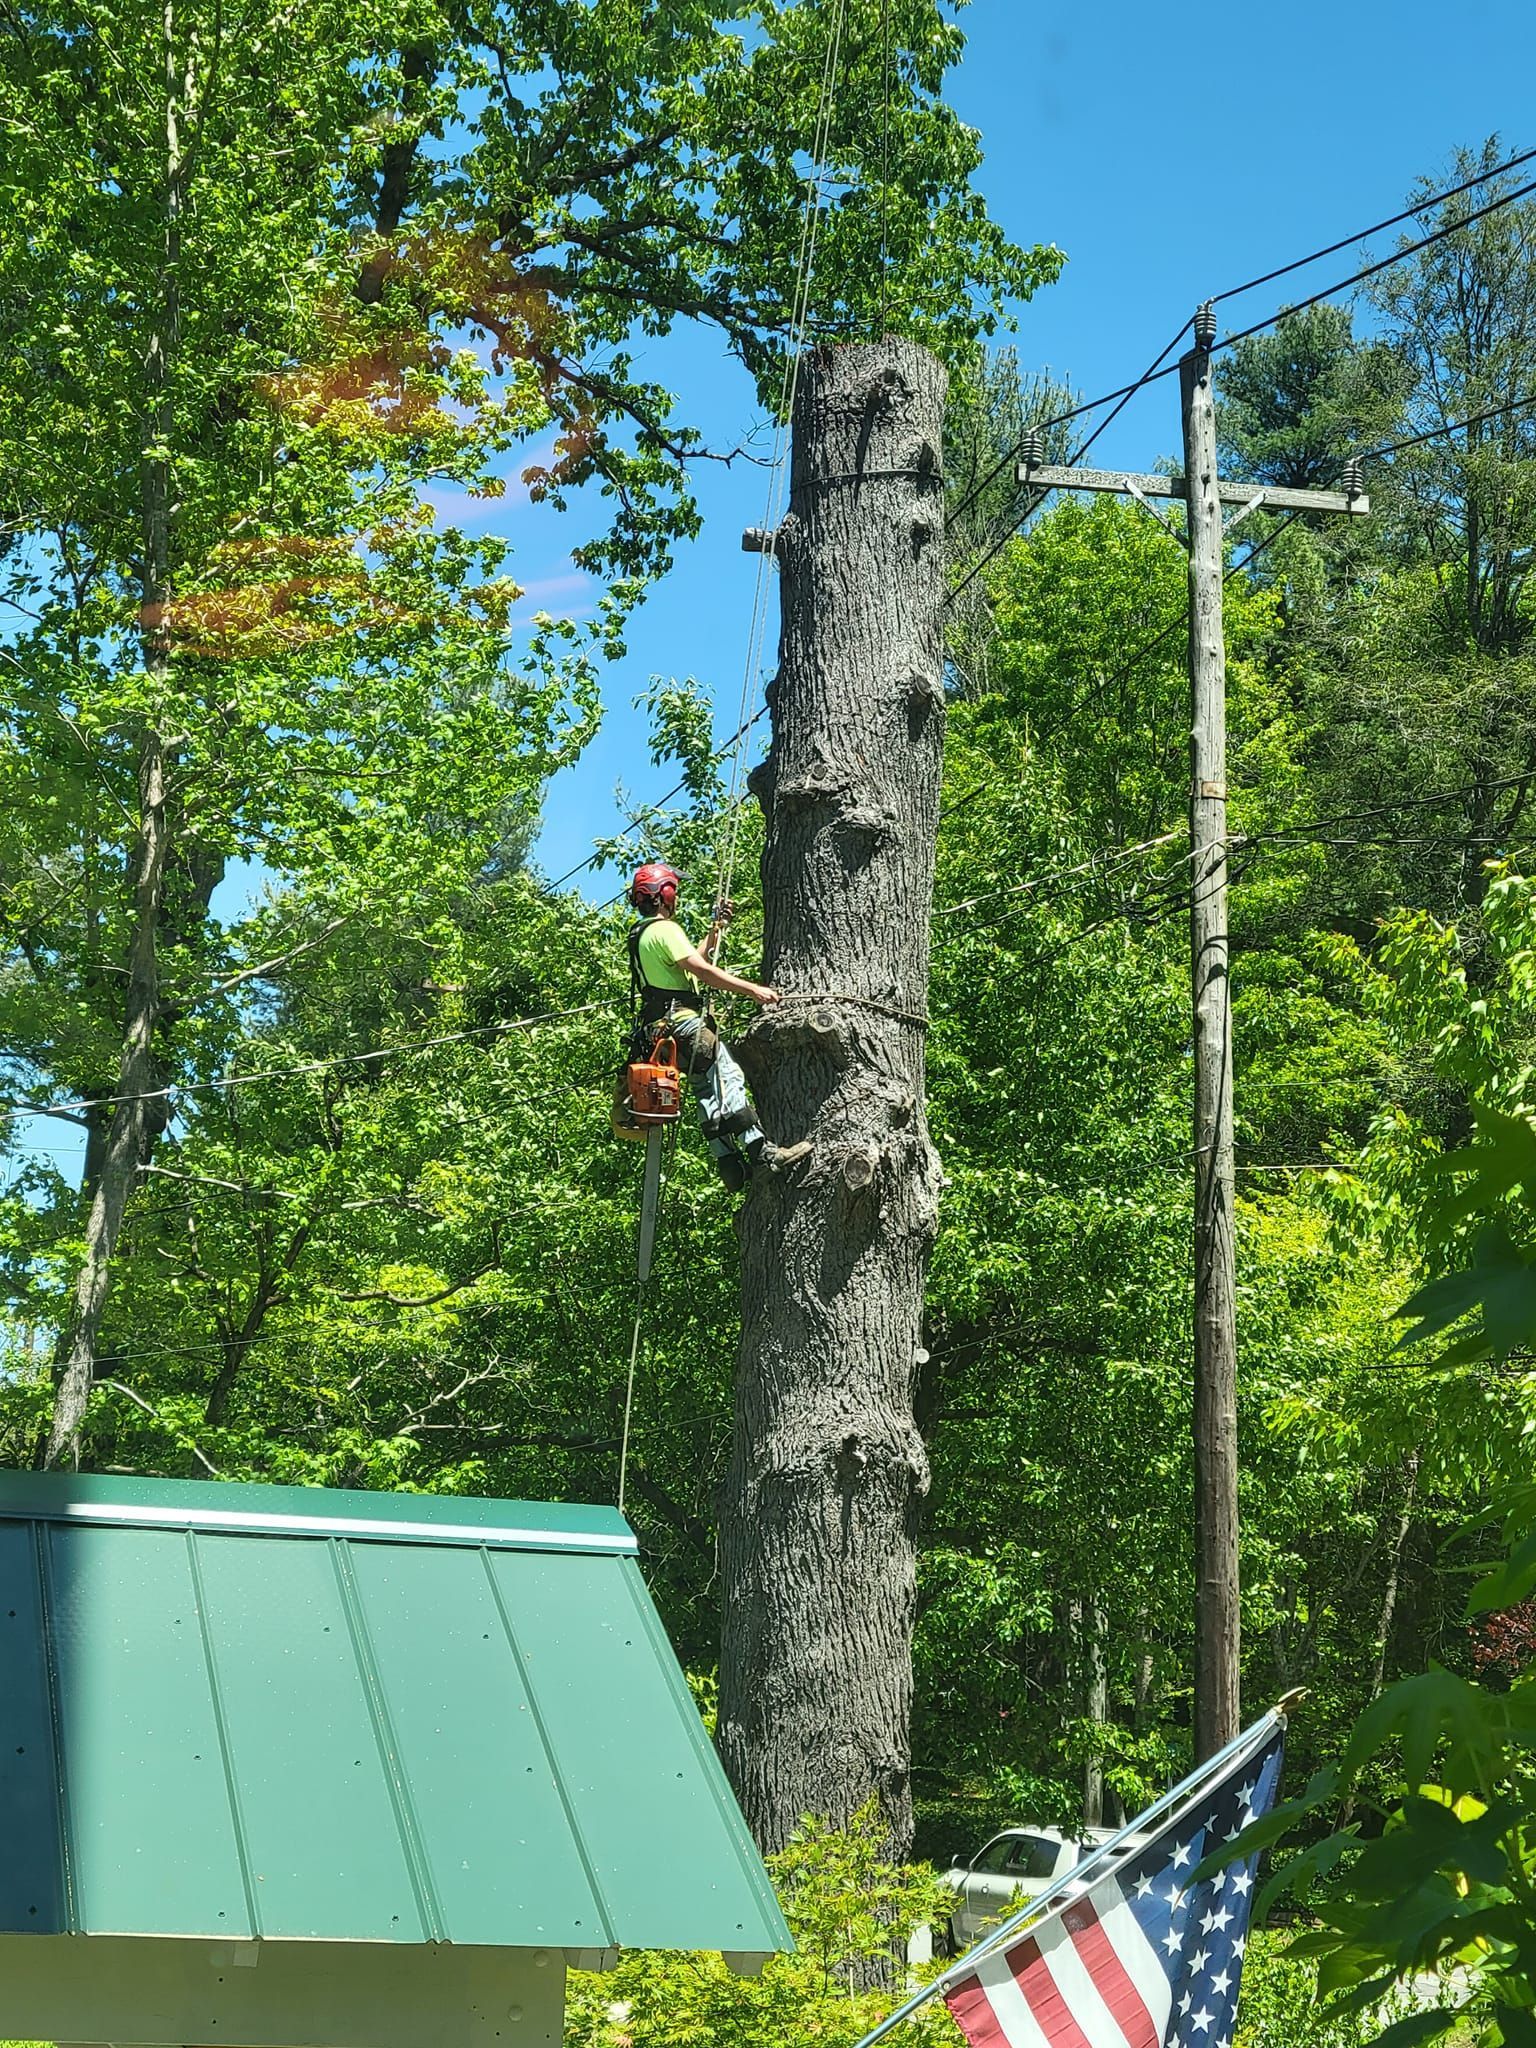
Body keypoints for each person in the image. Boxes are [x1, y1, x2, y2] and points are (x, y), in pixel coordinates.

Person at [627, 862, 778, 1191]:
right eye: (674, 890)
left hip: (662, 1034)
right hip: (684, 1025)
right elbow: (702, 972)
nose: (676, 896)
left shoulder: (642, 934)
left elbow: (689, 964)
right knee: (727, 1078)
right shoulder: (666, 929)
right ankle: (760, 1150)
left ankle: (728, 1163)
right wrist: (753, 989)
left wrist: (716, 929)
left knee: (706, 1090)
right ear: (664, 894)